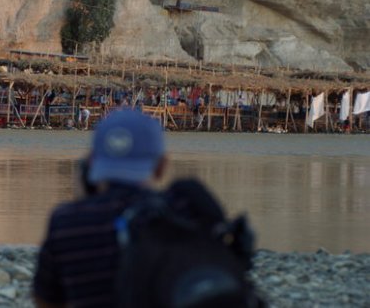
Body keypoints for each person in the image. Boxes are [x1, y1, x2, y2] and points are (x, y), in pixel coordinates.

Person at [34, 110, 258, 308]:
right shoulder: (184, 207)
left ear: (91, 163)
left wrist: (83, 198)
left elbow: (47, 300)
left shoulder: (66, 222)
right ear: (161, 166)